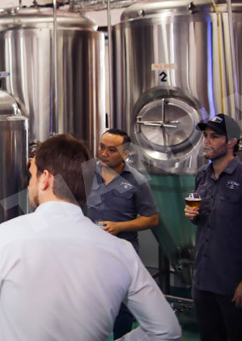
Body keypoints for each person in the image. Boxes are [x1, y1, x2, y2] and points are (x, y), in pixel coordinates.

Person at [0, 134, 181, 341]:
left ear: (45, 179)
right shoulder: (122, 252)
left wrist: (12, 324)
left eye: (32, 175)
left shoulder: (5, 237)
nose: (30, 183)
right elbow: (166, 329)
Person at [184, 114, 242, 341]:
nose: (206, 141)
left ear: (232, 141)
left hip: (233, 286)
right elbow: (206, 220)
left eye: (214, 137)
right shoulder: (202, 176)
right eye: (205, 136)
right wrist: (193, 216)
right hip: (203, 282)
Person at [88, 128, 160, 339]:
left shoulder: (137, 181)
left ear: (126, 154)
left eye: (112, 150)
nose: (104, 153)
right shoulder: (87, 173)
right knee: (90, 302)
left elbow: (152, 218)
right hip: (91, 251)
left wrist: (119, 226)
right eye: (102, 147)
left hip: (121, 252)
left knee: (122, 306)